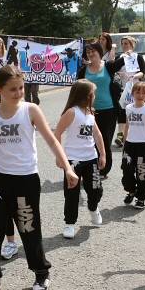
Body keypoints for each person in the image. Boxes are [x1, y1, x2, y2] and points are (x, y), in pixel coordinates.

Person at [0, 65, 78, 290]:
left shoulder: (30, 110)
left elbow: (52, 141)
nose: (18, 93)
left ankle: (41, 273)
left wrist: (68, 167)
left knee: (28, 228)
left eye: (21, 88)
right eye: (13, 89)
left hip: (26, 179)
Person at [55, 79, 106, 239]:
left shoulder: (90, 113)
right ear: (86, 95)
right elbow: (57, 133)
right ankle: (69, 223)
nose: (95, 96)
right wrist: (59, 156)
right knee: (72, 193)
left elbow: (97, 134)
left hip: (91, 158)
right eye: (93, 93)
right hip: (73, 160)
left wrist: (103, 154)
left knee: (96, 189)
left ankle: (93, 208)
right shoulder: (71, 112)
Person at [77, 42, 126, 178]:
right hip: (89, 111)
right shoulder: (83, 70)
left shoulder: (108, 67)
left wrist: (128, 53)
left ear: (99, 52)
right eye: (88, 52)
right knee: (90, 141)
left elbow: (122, 62)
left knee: (104, 140)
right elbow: (78, 89)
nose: (91, 54)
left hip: (109, 110)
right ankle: (92, 168)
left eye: (93, 51)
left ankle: (103, 170)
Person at [121, 81, 145, 210]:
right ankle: (131, 191)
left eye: (144, 92)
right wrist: (124, 142)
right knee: (127, 171)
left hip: (144, 145)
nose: (141, 94)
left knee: (142, 173)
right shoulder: (129, 108)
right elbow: (127, 125)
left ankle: (141, 198)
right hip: (130, 145)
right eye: (138, 92)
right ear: (132, 93)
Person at [114, 36, 145, 148]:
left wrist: (134, 76)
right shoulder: (120, 57)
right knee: (122, 111)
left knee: (135, 112)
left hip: (136, 89)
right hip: (123, 88)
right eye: (123, 43)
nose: (124, 45)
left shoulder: (138, 57)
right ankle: (120, 136)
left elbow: (142, 72)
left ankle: (135, 135)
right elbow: (114, 70)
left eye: (127, 43)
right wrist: (119, 74)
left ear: (132, 45)